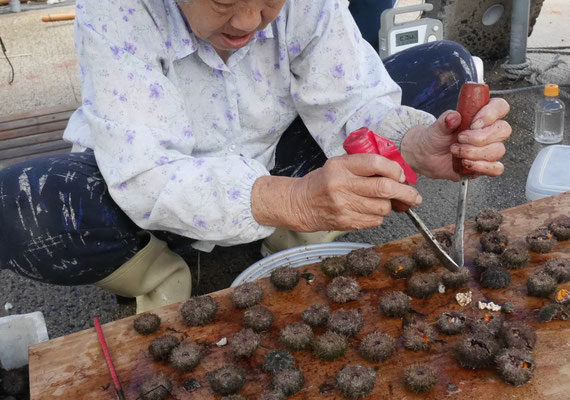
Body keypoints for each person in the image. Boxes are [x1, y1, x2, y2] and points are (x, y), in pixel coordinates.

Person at [0, 0, 511, 313]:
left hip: (273, 160)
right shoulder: (116, 9)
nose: (247, 20)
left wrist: (415, 144)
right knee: (21, 207)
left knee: (447, 69)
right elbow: (147, 175)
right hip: (147, 201)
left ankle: (291, 241)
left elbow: (352, 100)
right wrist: (292, 198)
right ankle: (159, 274)